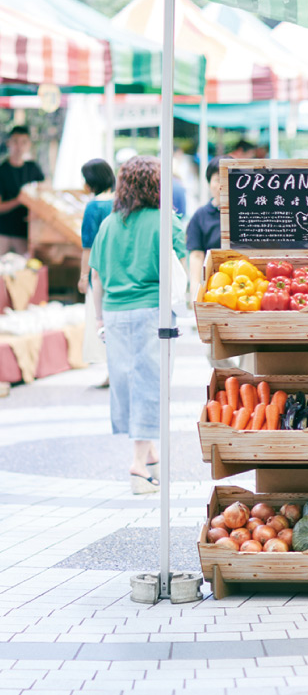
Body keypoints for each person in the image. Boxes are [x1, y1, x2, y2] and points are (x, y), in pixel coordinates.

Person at [89, 156, 188, 495]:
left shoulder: (109, 224)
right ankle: (136, 464)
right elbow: (181, 269)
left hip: (114, 313)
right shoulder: (164, 222)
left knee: (126, 384)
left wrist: (100, 317)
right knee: (152, 385)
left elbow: (96, 275)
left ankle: (151, 457)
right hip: (152, 312)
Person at [78, 159, 115, 388]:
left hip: (98, 272)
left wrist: (83, 275)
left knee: (101, 320)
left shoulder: (93, 207)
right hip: (118, 270)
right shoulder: (119, 202)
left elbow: (87, 246)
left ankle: (112, 372)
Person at [0, 126, 46, 256]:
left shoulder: (33, 168)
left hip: (26, 233)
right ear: (8, 143)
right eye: (15, 141)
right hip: (3, 233)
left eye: (23, 142)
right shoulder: (2, 171)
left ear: (29, 145)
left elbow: (44, 190)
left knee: (25, 273)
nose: (19, 146)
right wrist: (20, 200)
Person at [186, 157, 224, 305]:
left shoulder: (248, 214)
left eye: (228, 179)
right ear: (209, 184)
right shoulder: (200, 216)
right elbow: (196, 255)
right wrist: (196, 290)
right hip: (212, 290)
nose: (222, 185)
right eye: (217, 179)